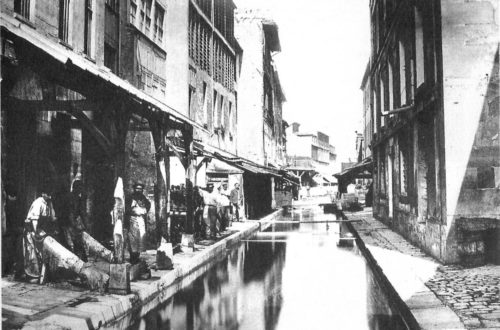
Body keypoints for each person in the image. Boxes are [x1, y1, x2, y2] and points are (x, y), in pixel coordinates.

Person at [23, 185, 57, 283]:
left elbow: (52, 218)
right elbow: (35, 220)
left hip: (41, 229)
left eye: (50, 194)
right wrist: (35, 232)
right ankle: (32, 275)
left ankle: (44, 274)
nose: (49, 196)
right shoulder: (38, 203)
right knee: (32, 254)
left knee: (42, 253)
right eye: (47, 194)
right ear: (43, 194)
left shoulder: (48, 203)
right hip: (32, 229)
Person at [125, 183, 151, 264]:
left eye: (140, 189)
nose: (139, 190)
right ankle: (132, 257)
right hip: (132, 220)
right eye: (137, 188)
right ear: (134, 189)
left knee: (141, 239)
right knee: (133, 239)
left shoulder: (143, 198)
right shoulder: (130, 198)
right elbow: (127, 209)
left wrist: (144, 210)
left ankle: (137, 257)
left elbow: (148, 205)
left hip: (141, 220)